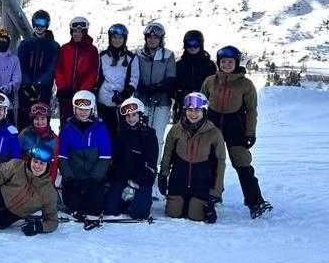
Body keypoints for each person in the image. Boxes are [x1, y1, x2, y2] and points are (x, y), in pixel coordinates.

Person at [201, 46, 272, 219]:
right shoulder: (210, 81)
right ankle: (212, 195)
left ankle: (255, 202)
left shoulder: (246, 84)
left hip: (236, 127)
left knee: (243, 164)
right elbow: (201, 104)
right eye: (223, 62)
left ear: (236, 63)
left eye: (230, 62)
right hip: (213, 126)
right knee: (212, 162)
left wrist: (250, 133)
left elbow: (251, 110)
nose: (226, 65)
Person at [158, 92, 226, 223]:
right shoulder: (176, 129)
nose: (193, 114)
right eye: (189, 110)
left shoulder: (214, 133)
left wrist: (216, 191)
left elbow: (220, 161)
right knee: (173, 213)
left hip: (202, 180)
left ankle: (199, 203)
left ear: (204, 111)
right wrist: (163, 174)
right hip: (178, 179)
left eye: (197, 110)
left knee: (196, 216)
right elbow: (168, 152)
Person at [57, 90, 112, 230]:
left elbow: (105, 157)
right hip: (74, 178)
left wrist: (94, 179)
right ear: (75, 109)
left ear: (92, 109)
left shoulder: (100, 128)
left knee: (93, 206)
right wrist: (70, 178)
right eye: (80, 109)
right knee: (74, 205)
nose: (83, 112)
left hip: (93, 179)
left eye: (86, 109)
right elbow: (62, 157)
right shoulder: (67, 129)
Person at [103, 98, 157, 220]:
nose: (131, 118)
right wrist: (111, 180)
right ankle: (123, 201)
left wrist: (135, 184)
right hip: (122, 178)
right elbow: (115, 161)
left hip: (142, 180)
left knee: (138, 214)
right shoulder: (119, 134)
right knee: (110, 209)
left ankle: (142, 200)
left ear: (140, 115)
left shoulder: (149, 135)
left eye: (134, 115)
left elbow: (151, 164)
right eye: (127, 115)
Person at [134, 21, 176, 157]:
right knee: (140, 132)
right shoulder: (139, 54)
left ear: (161, 39)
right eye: (150, 37)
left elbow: (171, 76)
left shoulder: (168, 55)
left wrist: (159, 89)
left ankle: (153, 164)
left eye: (156, 37)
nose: (152, 40)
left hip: (161, 100)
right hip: (142, 99)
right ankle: (139, 164)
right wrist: (141, 87)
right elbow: (134, 73)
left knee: (157, 134)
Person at [17, 9, 59, 129]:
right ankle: (22, 147)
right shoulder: (25, 44)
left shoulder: (53, 46)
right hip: (25, 90)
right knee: (24, 122)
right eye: (37, 22)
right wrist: (27, 84)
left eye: (43, 23)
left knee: (42, 123)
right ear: (33, 23)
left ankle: (42, 146)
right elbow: (20, 65)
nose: (39, 26)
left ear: (47, 24)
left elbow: (51, 69)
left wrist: (38, 84)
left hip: (43, 91)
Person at [96, 23, 140, 139]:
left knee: (119, 134)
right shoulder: (103, 56)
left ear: (124, 39)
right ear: (110, 38)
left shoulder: (131, 58)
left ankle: (118, 156)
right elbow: (98, 76)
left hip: (120, 101)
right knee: (104, 132)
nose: (117, 41)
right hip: (103, 101)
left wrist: (125, 94)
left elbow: (134, 78)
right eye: (114, 37)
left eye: (120, 38)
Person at [54, 16, 99, 123]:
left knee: (82, 122)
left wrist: (82, 91)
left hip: (83, 95)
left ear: (85, 32)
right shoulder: (64, 48)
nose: (77, 34)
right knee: (65, 122)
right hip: (65, 94)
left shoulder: (92, 50)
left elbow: (93, 72)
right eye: (75, 31)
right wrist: (62, 87)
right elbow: (58, 69)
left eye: (80, 32)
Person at [173, 30, 217, 123]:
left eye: (196, 44)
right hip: (183, 106)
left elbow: (214, 86)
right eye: (189, 44)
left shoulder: (209, 65)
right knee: (181, 134)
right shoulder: (179, 65)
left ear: (201, 45)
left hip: (203, 107)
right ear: (185, 45)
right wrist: (179, 93)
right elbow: (173, 85)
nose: (192, 47)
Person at [18, 102, 59, 184]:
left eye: (43, 119)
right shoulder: (25, 134)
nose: (40, 122)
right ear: (32, 120)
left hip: (44, 180)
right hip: (25, 177)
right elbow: (16, 156)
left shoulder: (53, 139)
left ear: (48, 120)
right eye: (36, 119)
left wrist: (49, 183)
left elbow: (54, 165)